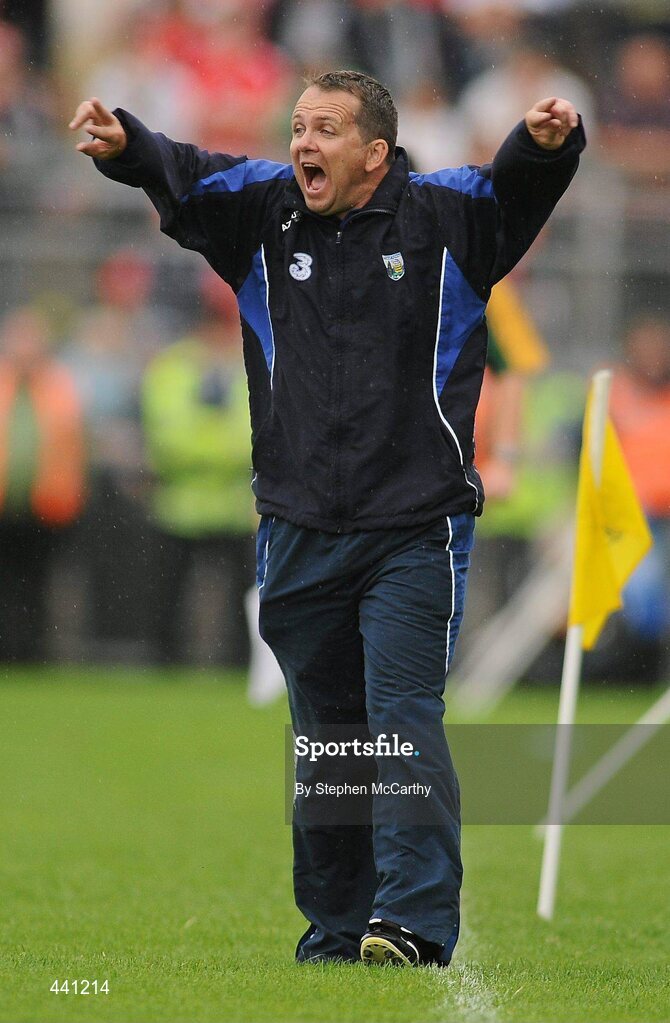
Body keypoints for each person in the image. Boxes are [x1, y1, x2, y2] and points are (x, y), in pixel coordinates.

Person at [69, 71, 585, 967]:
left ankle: (416, 923)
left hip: (415, 527)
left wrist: (543, 145)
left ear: (376, 153)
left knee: (402, 719)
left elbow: (514, 188)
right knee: (328, 741)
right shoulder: (262, 211)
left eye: (328, 129)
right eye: (298, 126)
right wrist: (130, 145)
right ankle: (339, 926)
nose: (304, 142)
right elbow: (186, 171)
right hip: (298, 527)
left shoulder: (444, 216)